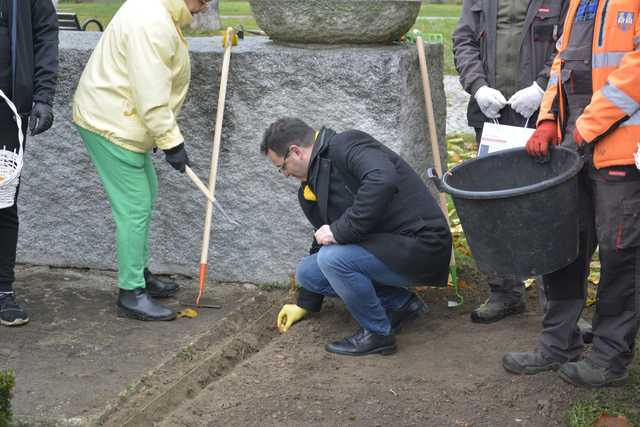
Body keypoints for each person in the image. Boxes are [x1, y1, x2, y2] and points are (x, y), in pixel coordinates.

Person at [504, 0, 640, 388]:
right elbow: (560, 64)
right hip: (572, 148)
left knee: (621, 258)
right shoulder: (580, 2)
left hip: (622, 155)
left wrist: (586, 126)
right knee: (564, 247)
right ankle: (557, 344)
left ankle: (610, 358)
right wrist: (548, 120)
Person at [261, 118, 452, 356]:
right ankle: (401, 304)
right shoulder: (310, 186)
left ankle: (378, 334)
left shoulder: (347, 144)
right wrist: (305, 303)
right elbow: (322, 237)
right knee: (308, 272)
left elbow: (382, 179)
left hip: (421, 244)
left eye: (282, 166)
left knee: (333, 259)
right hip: (387, 248)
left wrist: (340, 231)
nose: (285, 174)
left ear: (296, 152)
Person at [73, 0, 211, 321]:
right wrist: (172, 143)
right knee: (134, 205)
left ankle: (139, 274)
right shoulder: (152, 22)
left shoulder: (160, 11)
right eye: (203, 0)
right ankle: (131, 293)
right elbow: (150, 96)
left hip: (121, 117)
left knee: (145, 192)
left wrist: (163, 138)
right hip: (110, 121)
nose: (205, 7)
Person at [453, 0, 570, 324]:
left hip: (541, 114)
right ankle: (505, 292)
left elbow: (569, 44)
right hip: (492, 114)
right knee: (495, 206)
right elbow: (463, 40)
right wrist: (477, 88)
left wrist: (541, 86)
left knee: (549, 208)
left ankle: (558, 302)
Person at [0, 0, 58, 327]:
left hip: (8, 111)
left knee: (3, 203)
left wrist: (43, 97)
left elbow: (46, 36)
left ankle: (2, 290)